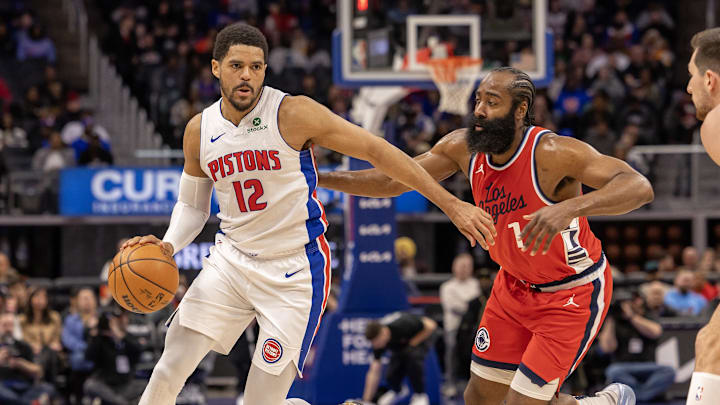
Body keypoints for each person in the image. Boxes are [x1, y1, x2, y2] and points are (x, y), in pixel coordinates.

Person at [122, 23, 494, 405]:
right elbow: (192, 207)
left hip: (293, 272)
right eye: (236, 65)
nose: (247, 75)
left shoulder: (294, 112)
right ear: (216, 68)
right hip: (230, 262)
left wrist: (451, 203)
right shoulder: (199, 130)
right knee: (168, 370)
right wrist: (168, 246)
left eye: (256, 66)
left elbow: (378, 151)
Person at [319, 66, 655, 404]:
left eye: (492, 102)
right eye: (478, 99)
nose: (479, 109)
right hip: (512, 287)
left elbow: (638, 187)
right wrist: (320, 177)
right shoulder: (462, 148)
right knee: (479, 398)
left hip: (569, 294)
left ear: (520, 110)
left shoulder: (553, 153)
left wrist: (569, 208)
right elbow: (391, 180)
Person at [684, 27, 720, 405]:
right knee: (710, 341)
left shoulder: (716, 120)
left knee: (712, 346)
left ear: (710, 79)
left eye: (691, 76)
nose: (688, 87)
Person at [598, 297, 675, 402]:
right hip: (622, 366)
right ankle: (643, 395)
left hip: (648, 366)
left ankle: (636, 396)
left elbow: (656, 332)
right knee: (613, 371)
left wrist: (631, 316)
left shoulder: (647, 316)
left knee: (668, 371)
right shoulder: (615, 322)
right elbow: (607, 348)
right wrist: (610, 320)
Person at [362, 312, 437, 405]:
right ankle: (397, 390)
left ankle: (420, 396)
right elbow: (374, 371)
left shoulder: (402, 324)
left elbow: (431, 325)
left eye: (377, 342)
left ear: (383, 333)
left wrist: (413, 343)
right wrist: (366, 400)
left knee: (412, 356)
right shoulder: (378, 344)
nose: (376, 346)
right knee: (391, 374)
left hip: (421, 336)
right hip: (403, 344)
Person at [84, 307, 145, 405]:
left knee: (146, 385)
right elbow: (88, 356)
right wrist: (96, 333)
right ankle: (121, 403)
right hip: (105, 384)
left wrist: (120, 335)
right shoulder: (100, 339)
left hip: (126, 385)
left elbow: (138, 351)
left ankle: (116, 401)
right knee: (90, 385)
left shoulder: (127, 337)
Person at [440, 253, 480, 395]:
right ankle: (450, 383)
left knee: (478, 353)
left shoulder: (477, 284)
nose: (464, 269)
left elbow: (480, 304)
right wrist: (470, 305)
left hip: (474, 328)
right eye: (461, 266)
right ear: (454, 267)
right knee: (451, 350)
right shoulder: (447, 287)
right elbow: (455, 307)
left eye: (467, 266)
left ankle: (474, 386)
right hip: (454, 328)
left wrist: (470, 306)